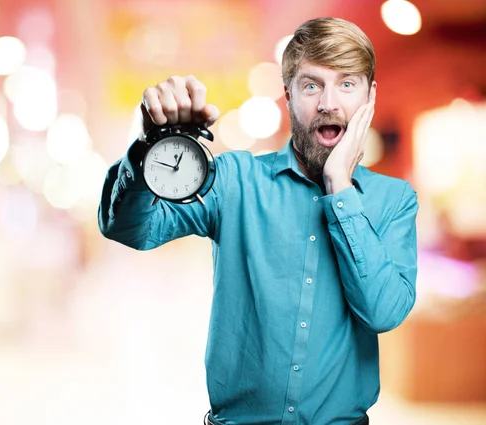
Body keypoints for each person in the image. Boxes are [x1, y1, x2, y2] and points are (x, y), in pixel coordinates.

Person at [98, 16, 418, 425]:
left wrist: (340, 187)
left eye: (347, 84)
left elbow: (383, 313)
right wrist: (149, 145)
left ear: (370, 97)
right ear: (287, 95)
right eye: (311, 85)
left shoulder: (395, 201)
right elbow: (130, 228)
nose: (328, 103)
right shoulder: (235, 180)